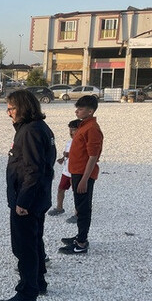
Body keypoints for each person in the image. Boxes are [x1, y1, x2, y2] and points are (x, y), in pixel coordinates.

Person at [1, 90, 56, 301]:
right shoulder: (39, 128)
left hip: (29, 199)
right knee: (34, 241)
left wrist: (22, 201)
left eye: (11, 109)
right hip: (38, 197)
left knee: (24, 246)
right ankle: (38, 282)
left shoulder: (30, 131)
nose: (8, 114)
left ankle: (27, 294)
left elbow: (34, 169)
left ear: (23, 107)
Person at [58, 95, 103, 255]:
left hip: (83, 174)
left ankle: (82, 243)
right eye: (77, 108)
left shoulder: (92, 128)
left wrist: (84, 179)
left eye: (81, 109)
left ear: (90, 111)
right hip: (76, 172)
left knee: (83, 209)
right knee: (79, 206)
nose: (77, 111)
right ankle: (80, 236)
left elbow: (93, 156)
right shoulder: (83, 126)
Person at [47, 119, 81, 218]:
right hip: (66, 171)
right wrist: (63, 159)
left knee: (77, 193)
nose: (71, 132)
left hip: (76, 172)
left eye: (74, 130)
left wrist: (69, 155)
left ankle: (78, 213)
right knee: (61, 189)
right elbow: (67, 154)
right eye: (70, 130)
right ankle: (59, 207)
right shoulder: (69, 142)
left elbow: (82, 156)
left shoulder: (82, 143)